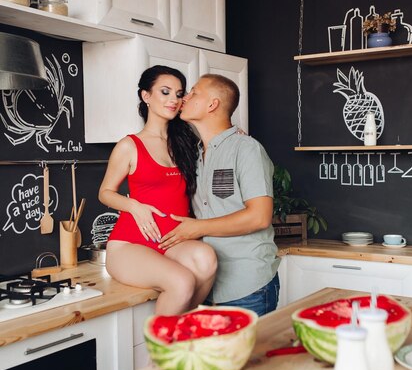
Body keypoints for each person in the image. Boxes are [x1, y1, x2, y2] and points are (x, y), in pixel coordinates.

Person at [98, 65, 217, 316]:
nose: (173, 99)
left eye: (178, 93)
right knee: (181, 281)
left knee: (207, 258)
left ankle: (179, 337)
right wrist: (134, 206)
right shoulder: (129, 145)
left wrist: (233, 135)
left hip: (172, 240)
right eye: (165, 92)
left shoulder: (185, 143)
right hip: (131, 244)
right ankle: (159, 355)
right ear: (146, 96)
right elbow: (105, 192)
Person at [159, 73, 280, 316]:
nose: (185, 97)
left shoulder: (246, 149)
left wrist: (198, 228)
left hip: (247, 288)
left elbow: (259, 217)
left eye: (194, 92)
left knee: (245, 356)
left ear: (213, 104)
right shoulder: (194, 154)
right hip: (207, 285)